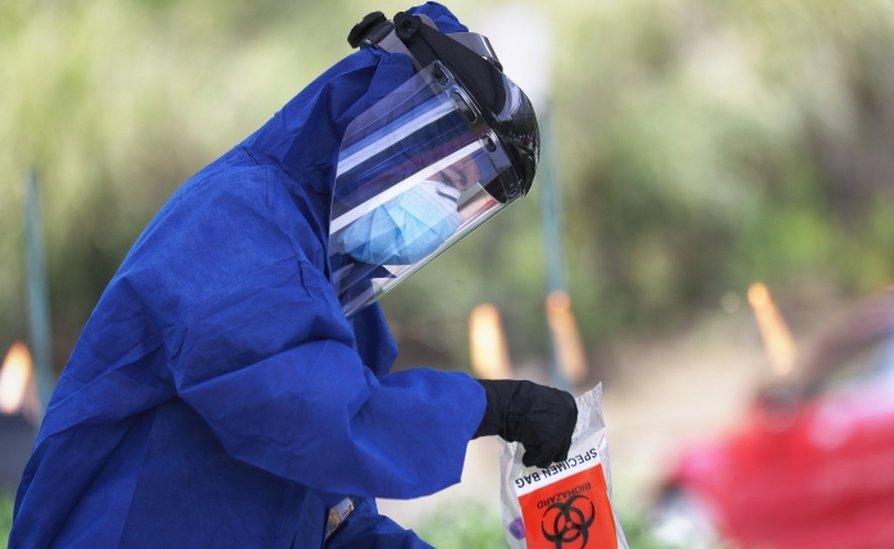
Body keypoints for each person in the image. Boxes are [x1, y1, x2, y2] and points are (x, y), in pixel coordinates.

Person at [10, 3, 578, 547]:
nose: (441, 203)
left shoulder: (329, 286)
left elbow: (336, 520)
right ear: (388, 125)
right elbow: (316, 413)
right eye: (443, 174)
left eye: (461, 191)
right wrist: (492, 407)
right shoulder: (236, 224)